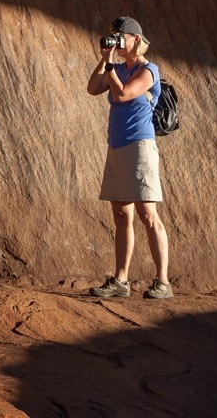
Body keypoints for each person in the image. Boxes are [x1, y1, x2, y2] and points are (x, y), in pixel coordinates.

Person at [85, 16, 172, 299]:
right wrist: (105, 59)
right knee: (122, 216)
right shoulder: (117, 68)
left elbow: (122, 95)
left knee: (148, 214)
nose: (117, 40)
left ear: (136, 39)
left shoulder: (150, 71)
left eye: (121, 36)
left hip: (139, 147)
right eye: (114, 35)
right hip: (117, 147)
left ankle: (162, 282)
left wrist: (111, 67)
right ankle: (121, 280)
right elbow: (93, 88)